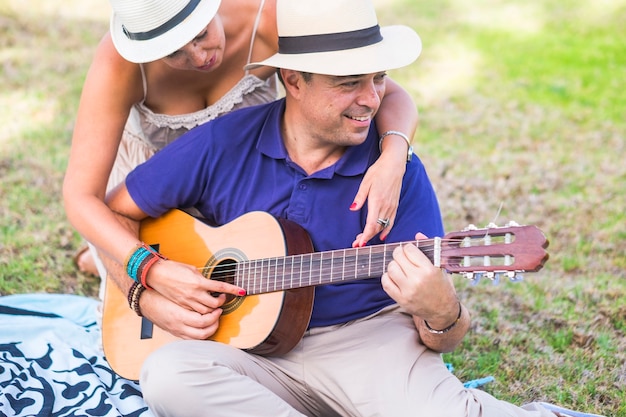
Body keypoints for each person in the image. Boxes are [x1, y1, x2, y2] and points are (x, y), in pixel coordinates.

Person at [103, 1, 605, 416]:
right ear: (293, 81)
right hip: (241, 348)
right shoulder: (223, 142)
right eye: (348, 83)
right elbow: (117, 211)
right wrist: (148, 286)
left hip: (366, 344)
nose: (370, 99)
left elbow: (444, 338)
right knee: (168, 374)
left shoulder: (397, 172)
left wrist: (441, 310)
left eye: (379, 78)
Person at [63, 0, 418, 282]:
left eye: (201, 33)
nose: (200, 57)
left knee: (243, 276)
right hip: (155, 180)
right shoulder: (121, 62)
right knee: (142, 298)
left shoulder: (270, 17)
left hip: (248, 176)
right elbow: (81, 197)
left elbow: (380, 92)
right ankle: (99, 258)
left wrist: (393, 157)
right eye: (173, 53)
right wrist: (147, 265)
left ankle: (97, 257)